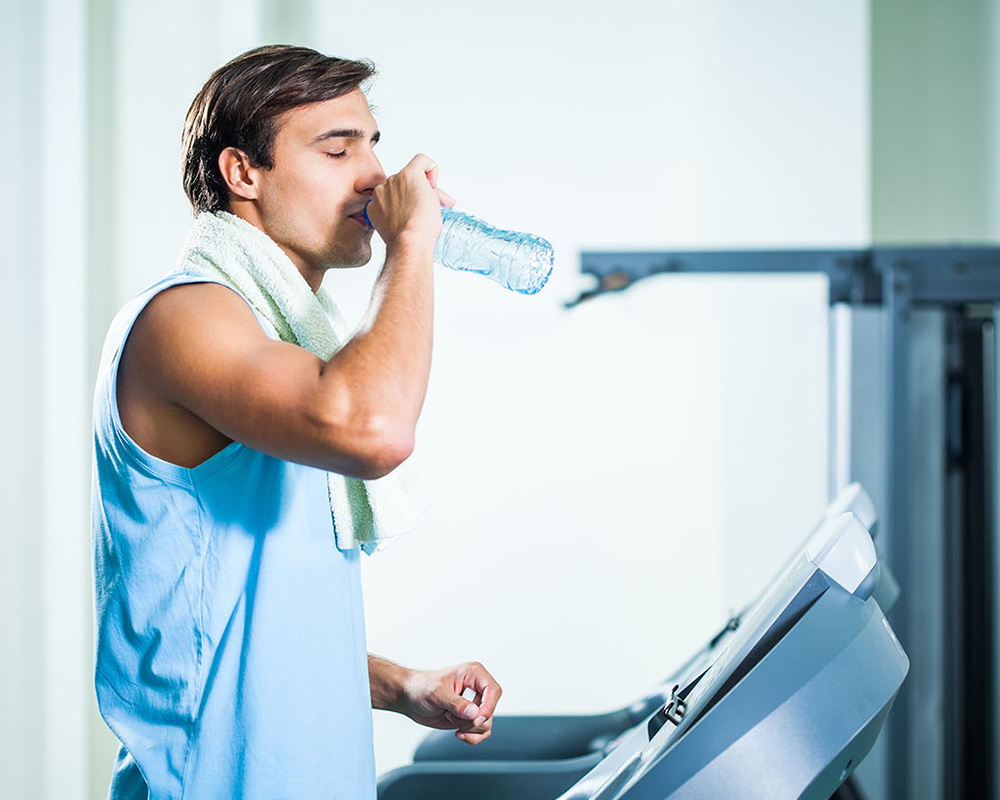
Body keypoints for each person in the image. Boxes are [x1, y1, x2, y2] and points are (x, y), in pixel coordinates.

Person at [91, 44, 501, 799]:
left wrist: (400, 685)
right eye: (338, 150)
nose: (374, 175)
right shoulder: (186, 317)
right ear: (242, 173)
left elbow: (245, 627)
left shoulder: (287, 343)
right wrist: (412, 241)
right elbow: (375, 430)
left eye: (373, 145)